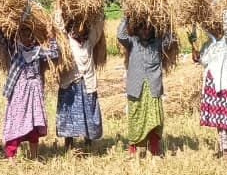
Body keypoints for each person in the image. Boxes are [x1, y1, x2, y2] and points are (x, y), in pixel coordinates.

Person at [116, 18, 174, 157]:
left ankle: (154, 149)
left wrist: (166, 19)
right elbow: (120, 35)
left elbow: (170, 40)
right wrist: (126, 17)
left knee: (155, 118)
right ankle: (133, 149)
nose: (145, 31)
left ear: (152, 30)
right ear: (137, 29)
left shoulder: (158, 44)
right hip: (136, 87)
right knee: (135, 117)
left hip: (153, 87)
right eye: (142, 28)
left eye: (148, 28)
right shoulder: (132, 42)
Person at [2, 27, 59, 160]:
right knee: (16, 121)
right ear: (19, 36)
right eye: (23, 34)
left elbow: (54, 53)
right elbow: (3, 40)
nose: (27, 38)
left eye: (29, 34)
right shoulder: (15, 50)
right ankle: (11, 158)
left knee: (34, 123)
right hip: (18, 92)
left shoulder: (37, 51)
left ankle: (34, 156)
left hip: (34, 91)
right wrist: (7, 27)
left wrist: (52, 38)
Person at [190, 14, 227, 158]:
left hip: (226, 83)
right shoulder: (208, 44)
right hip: (211, 84)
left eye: (217, 25)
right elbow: (201, 60)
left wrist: (221, 9)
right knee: (218, 119)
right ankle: (223, 148)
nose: (214, 28)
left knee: (226, 119)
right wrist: (193, 44)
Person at [55, 19, 103, 153]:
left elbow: (98, 27)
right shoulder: (66, 40)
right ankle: (68, 144)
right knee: (68, 113)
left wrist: (98, 11)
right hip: (70, 83)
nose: (79, 30)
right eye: (76, 27)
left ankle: (88, 142)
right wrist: (59, 6)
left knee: (88, 112)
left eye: (82, 28)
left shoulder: (89, 42)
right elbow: (58, 25)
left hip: (87, 83)